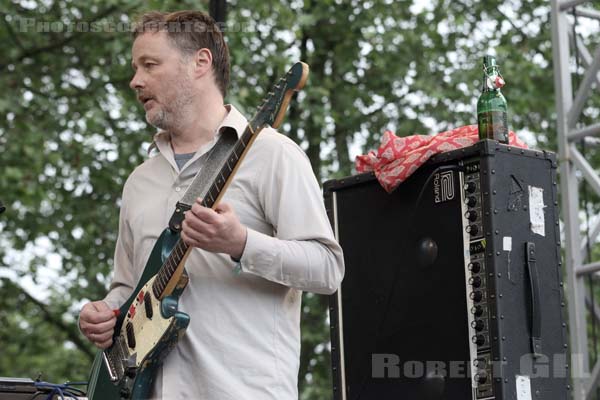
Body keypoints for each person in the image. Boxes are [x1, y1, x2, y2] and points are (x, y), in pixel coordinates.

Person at [78, 10, 345, 400]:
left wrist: (241, 243)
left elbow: (327, 268)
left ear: (200, 63)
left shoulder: (273, 155)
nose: (135, 80)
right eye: (135, 68)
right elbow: (127, 288)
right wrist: (105, 313)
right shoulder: (139, 181)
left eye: (150, 65)